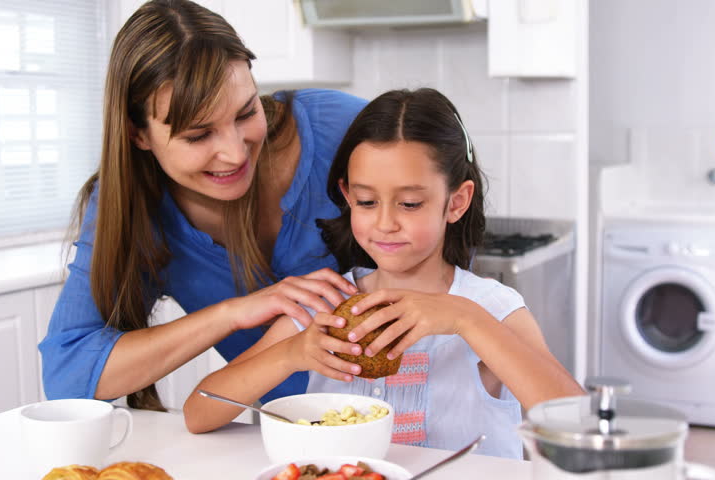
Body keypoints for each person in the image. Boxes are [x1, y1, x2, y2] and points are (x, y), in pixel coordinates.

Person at [182, 88, 584, 458]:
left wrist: (465, 319)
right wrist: (291, 353)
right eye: (367, 201)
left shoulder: (489, 308)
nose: (385, 223)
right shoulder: (326, 305)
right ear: (346, 196)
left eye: (409, 204)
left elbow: (576, 425)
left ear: (456, 202)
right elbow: (200, 413)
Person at [39, 0, 367, 411]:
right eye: (198, 136)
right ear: (138, 134)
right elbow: (67, 373)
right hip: (288, 440)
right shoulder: (130, 205)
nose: (234, 153)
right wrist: (232, 314)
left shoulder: (343, 128)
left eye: (247, 112)